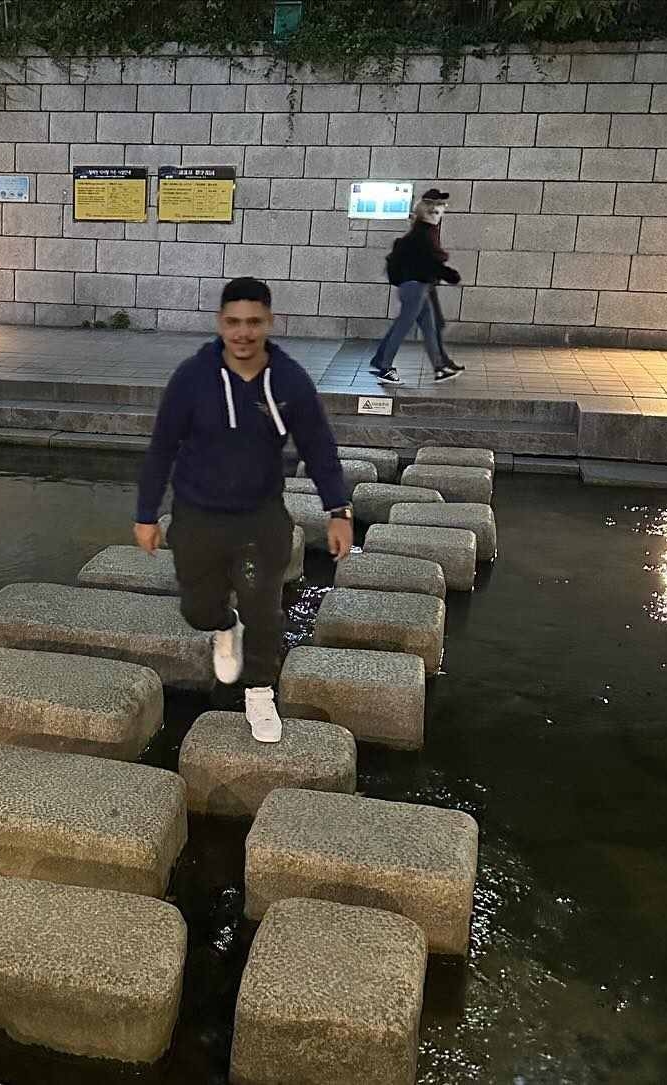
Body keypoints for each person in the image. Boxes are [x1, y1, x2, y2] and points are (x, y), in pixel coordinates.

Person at [134, 277, 353, 744]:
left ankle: (259, 694)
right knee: (198, 610)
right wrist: (147, 514)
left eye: (254, 322)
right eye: (234, 322)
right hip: (196, 517)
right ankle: (222, 626)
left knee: (264, 611)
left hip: (260, 519)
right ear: (220, 324)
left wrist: (339, 510)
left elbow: (319, 447)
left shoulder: (288, 380)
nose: (243, 332)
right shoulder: (193, 378)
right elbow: (161, 448)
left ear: (269, 323)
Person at [368, 196, 462, 386]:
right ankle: (385, 368)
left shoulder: (419, 232)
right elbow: (430, 262)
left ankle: (438, 368)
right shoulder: (423, 234)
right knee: (403, 326)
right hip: (416, 287)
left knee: (429, 327)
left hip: (417, 286)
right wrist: (451, 275)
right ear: (427, 214)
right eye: (436, 212)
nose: (439, 216)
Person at [419, 188, 463, 375]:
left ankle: (442, 362)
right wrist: (447, 271)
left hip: (426, 282)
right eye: (440, 204)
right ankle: (440, 364)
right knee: (430, 325)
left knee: (435, 324)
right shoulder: (424, 229)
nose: (443, 208)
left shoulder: (430, 227)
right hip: (420, 284)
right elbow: (429, 256)